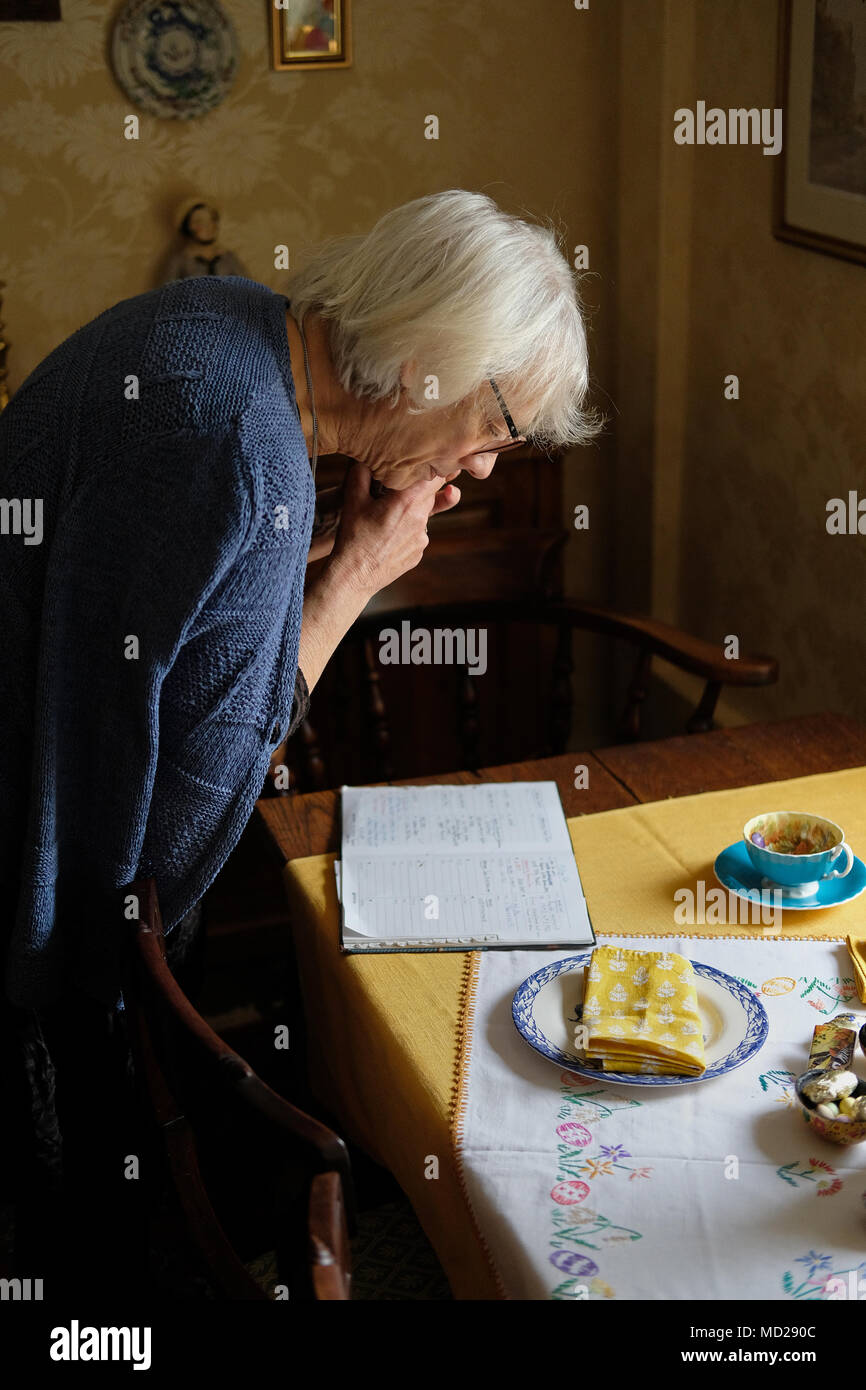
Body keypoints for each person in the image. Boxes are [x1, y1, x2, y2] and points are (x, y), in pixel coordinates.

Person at [0, 188, 598, 1290]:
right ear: (429, 362)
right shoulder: (245, 450)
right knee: (78, 1242)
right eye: (495, 430)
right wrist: (351, 585)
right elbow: (185, 826)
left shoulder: (225, 318)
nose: (478, 472)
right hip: (31, 938)